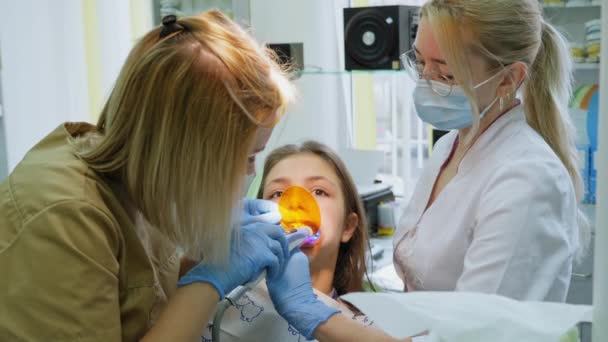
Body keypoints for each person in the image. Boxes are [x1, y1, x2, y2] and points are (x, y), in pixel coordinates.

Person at [263, 1, 590, 341]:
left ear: (509, 78)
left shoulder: (528, 180)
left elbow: (470, 336)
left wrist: (314, 312)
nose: (427, 82)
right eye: (420, 63)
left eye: (446, 73)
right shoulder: (448, 147)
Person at [0, 11, 295, 341]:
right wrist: (211, 279)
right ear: (187, 148)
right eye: (247, 156)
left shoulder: (144, 182)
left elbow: (143, 287)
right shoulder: (63, 216)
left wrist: (207, 254)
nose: (250, 173)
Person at [201, 141, 374, 341]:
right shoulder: (219, 305)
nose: (296, 203)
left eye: (319, 191)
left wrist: (308, 308)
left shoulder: (370, 327)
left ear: (348, 226)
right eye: (278, 193)